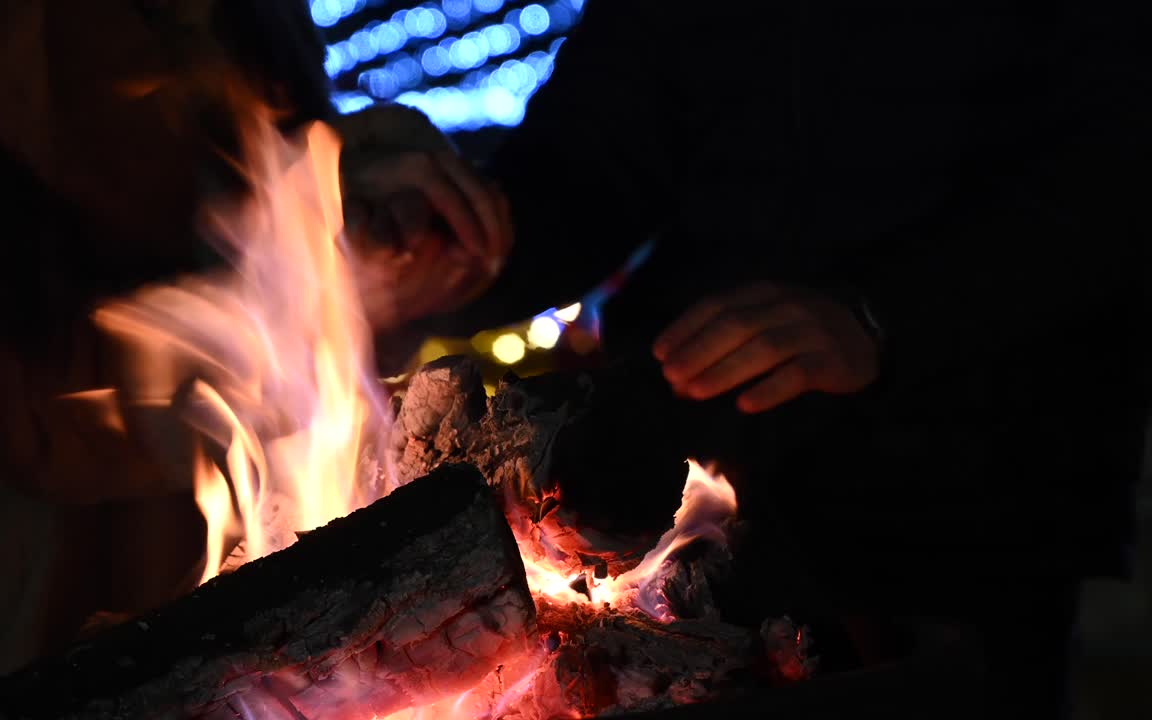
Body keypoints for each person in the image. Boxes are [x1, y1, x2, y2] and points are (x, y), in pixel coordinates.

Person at [425, 1, 1151, 716]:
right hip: (700, 478)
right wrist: (452, 248)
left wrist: (883, 316)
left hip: (977, 488)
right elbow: (591, 161)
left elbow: (1114, 171)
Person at [0, 0, 509, 710]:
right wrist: (304, 297)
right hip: (7, 637)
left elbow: (291, 214)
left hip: (252, 628)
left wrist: (377, 211)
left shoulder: (254, 19)